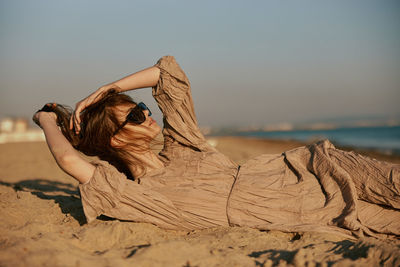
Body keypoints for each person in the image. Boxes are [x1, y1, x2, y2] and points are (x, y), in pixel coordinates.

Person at [33, 56, 400, 239]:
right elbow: (68, 159)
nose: (147, 116)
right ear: (115, 141)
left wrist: (106, 89)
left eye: (142, 108)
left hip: (311, 168)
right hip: (292, 212)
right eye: (134, 117)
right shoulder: (136, 192)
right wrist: (47, 117)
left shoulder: (183, 145)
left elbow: (166, 75)